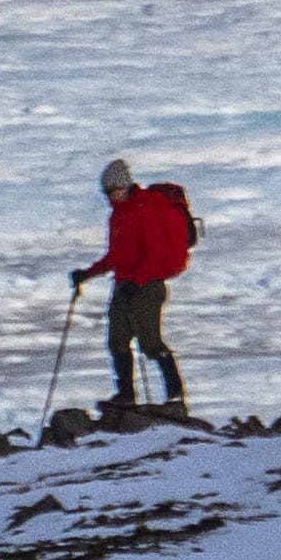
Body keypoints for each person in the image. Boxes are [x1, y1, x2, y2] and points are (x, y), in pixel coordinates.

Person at [77, 156, 201, 417]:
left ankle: (175, 395)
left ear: (123, 186)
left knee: (150, 341)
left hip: (147, 286)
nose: (109, 197)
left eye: (111, 191)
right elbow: (116, 256)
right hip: (125, 285)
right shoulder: (118, 215)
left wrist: (139, 280)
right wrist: (87, 274)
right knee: (117, 340)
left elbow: (154, 252)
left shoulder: (147, 207)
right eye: (106, 193)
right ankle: (126, 397)